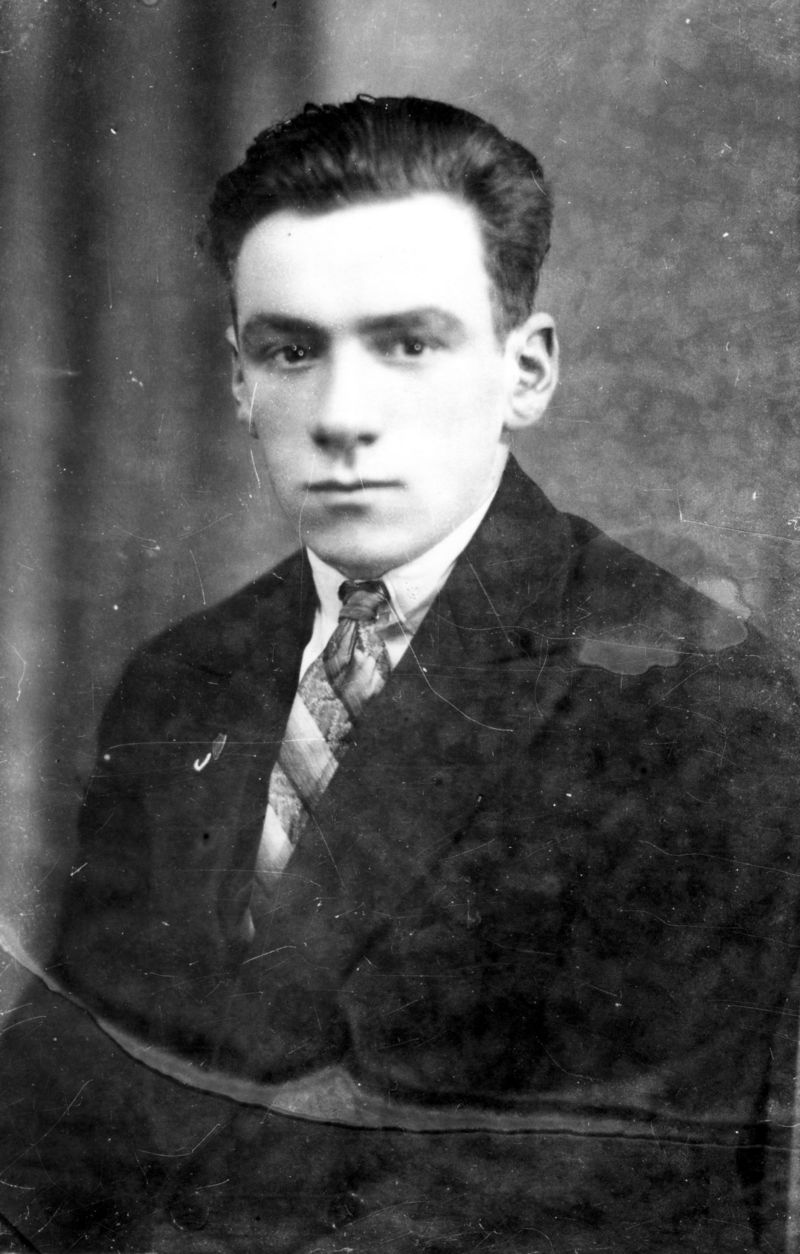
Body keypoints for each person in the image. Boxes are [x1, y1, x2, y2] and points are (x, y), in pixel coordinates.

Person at [0, 94, 798, 1253]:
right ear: (239, 380)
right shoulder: (182, 678)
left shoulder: (691, 699)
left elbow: (614, 1178)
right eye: (290, 351)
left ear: (525, 371)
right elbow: (60, 1094)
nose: (341, 417)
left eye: (407, 344)